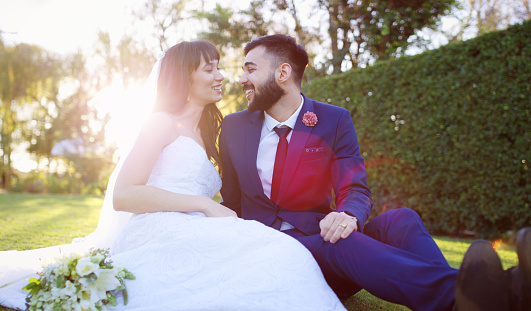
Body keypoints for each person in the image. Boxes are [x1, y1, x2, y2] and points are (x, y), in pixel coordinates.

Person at [0, 41, 346, 311]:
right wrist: (203, 205)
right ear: (184, 77)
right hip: (158, 228)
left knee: (278, 253)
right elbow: (124, 195)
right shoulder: (161, 122)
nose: (221, 76)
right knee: (278, 254)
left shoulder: (210, 133)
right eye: (209, 69)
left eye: (218, 67)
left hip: (193, 227)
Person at [218, 34, 531, 311]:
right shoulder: (233, 127)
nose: (242, 78)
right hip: (271, 252)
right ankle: (491, 292)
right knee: (339, 242)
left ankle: (469, 299)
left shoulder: (334, 120)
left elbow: (356, 188)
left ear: (282, 73)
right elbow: (232, 202)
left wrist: (348, 212)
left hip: (325, 246)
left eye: (250, 69)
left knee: (401, 218)